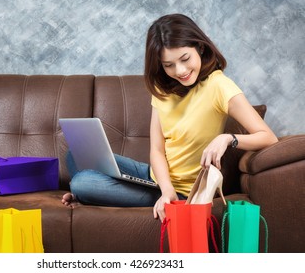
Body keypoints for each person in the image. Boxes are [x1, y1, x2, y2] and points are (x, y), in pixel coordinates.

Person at [61, 13, 278, 222]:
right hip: (157, 179)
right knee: (75, 155)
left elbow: (268, 138)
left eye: (185, 59)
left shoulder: (219, 86)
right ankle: (91, 192)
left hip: (184, 193)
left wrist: (227, 138)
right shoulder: (162, 89)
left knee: (82, 183)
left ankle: (86, 192)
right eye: (169, 65)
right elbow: (157, 149)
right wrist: (166, 189)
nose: (180, 70)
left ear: (200, 48)